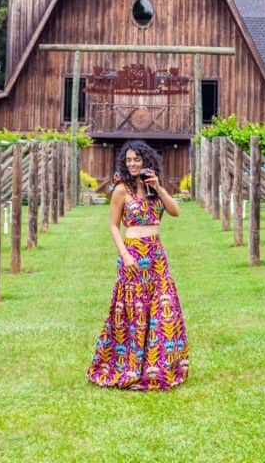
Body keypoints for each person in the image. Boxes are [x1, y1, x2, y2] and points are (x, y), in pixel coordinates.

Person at [86, 140, 189, 391]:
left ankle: (160, 366)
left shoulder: (154, 188)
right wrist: (125, 255)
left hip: (156, 255)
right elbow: (113, 225)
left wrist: (160, 188)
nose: (132, 164)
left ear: (146, 161)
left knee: (162, 309)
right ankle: (130, 365)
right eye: (129, 160)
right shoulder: (121, 189)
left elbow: (175, 212)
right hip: (133, 253)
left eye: (137, 159)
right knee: (135, 312)